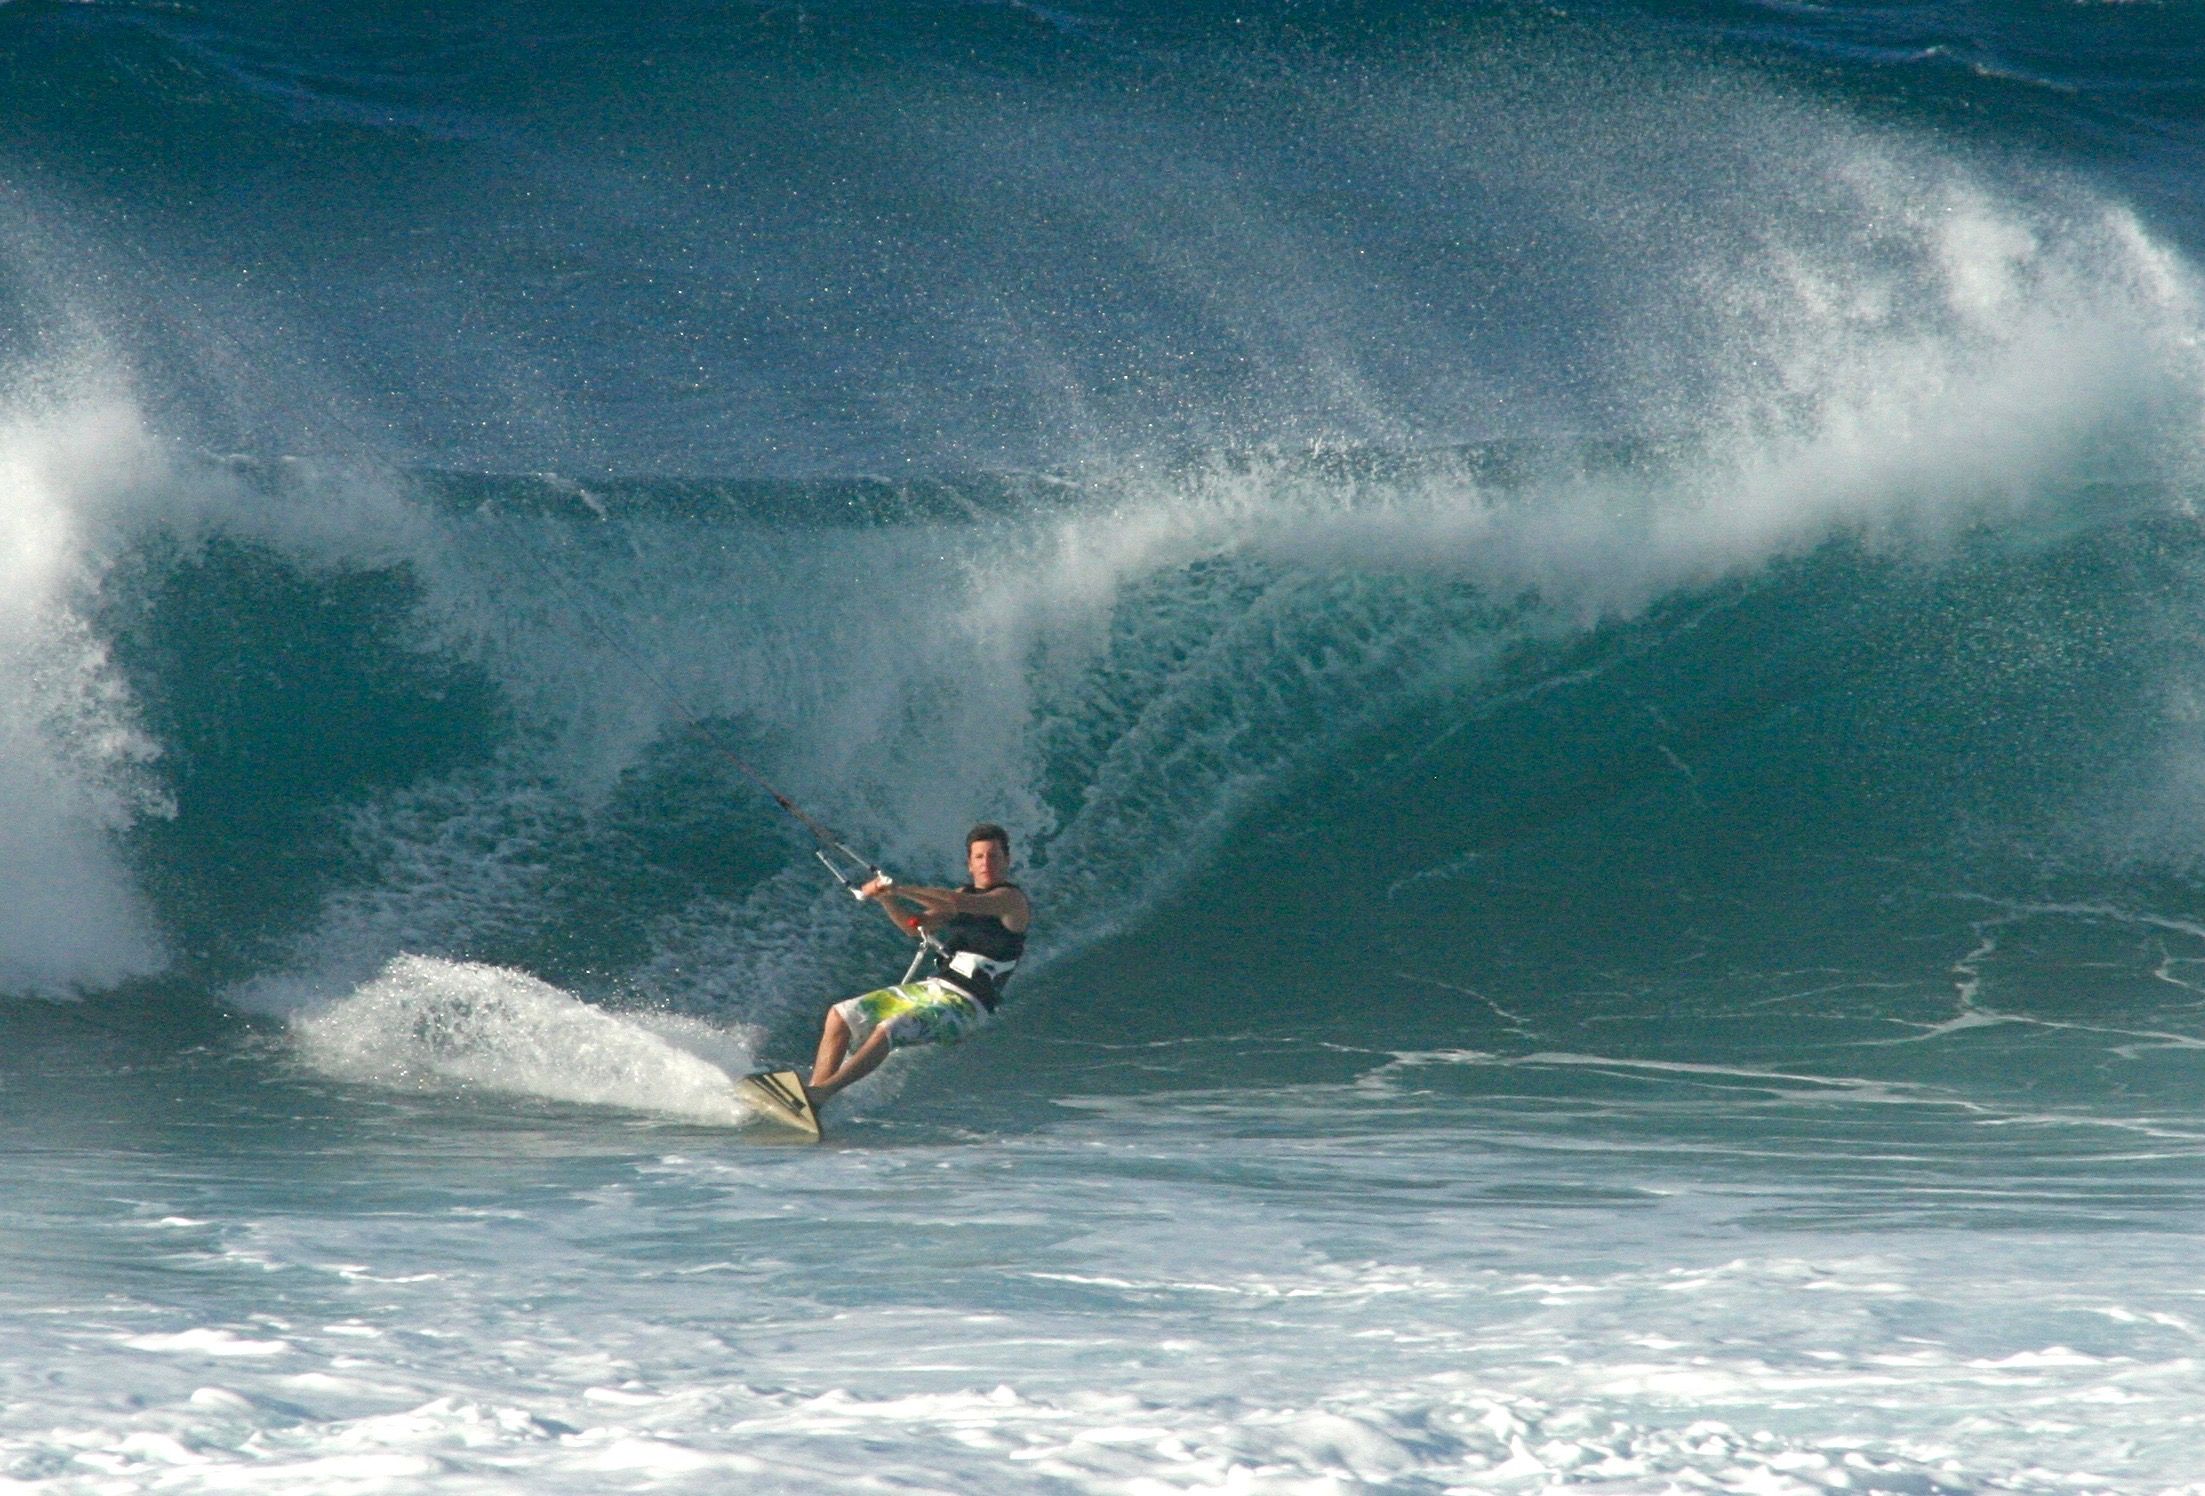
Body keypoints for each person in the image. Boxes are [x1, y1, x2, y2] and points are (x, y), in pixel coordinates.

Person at [806, 822, 1032, 1108]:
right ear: (969, 864)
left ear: (1007, 861)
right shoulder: (963, 894)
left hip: (967, 1006)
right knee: (839, 1015)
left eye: (994, 856)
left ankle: (823, 1092)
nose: (986, 863)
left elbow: (955, 902)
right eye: (979, 857)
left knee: (893, 1026)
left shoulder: (1010, 899)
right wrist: (887, 898)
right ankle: (811, 1099)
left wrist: (899, 887)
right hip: (935, 989)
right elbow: (913, 927)